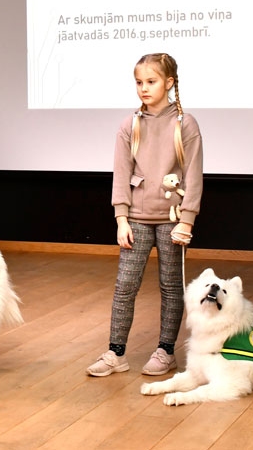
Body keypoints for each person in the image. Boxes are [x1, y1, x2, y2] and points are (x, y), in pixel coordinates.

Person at [87, 53, 203, 378]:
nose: (143, 88)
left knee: (170, 286)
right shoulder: (130, 125)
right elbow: (120, 173)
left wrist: (188, 220)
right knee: (125, 285)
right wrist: (121, 218)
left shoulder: (185, 123)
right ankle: (115, 353)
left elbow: (194, 174)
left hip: (172, 219)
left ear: (169, 83)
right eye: (139, 82)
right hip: (136, 219)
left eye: (151, 82)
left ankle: (166, 351)